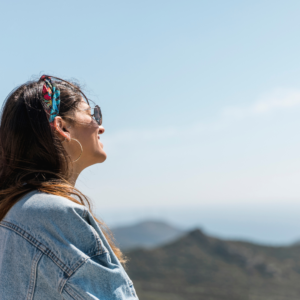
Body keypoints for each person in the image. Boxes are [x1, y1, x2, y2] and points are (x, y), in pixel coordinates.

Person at [0, 75, 138, 300]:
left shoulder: (14, 210)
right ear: (62, 127)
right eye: (92, 114)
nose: (100, 127)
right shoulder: (50, 214)